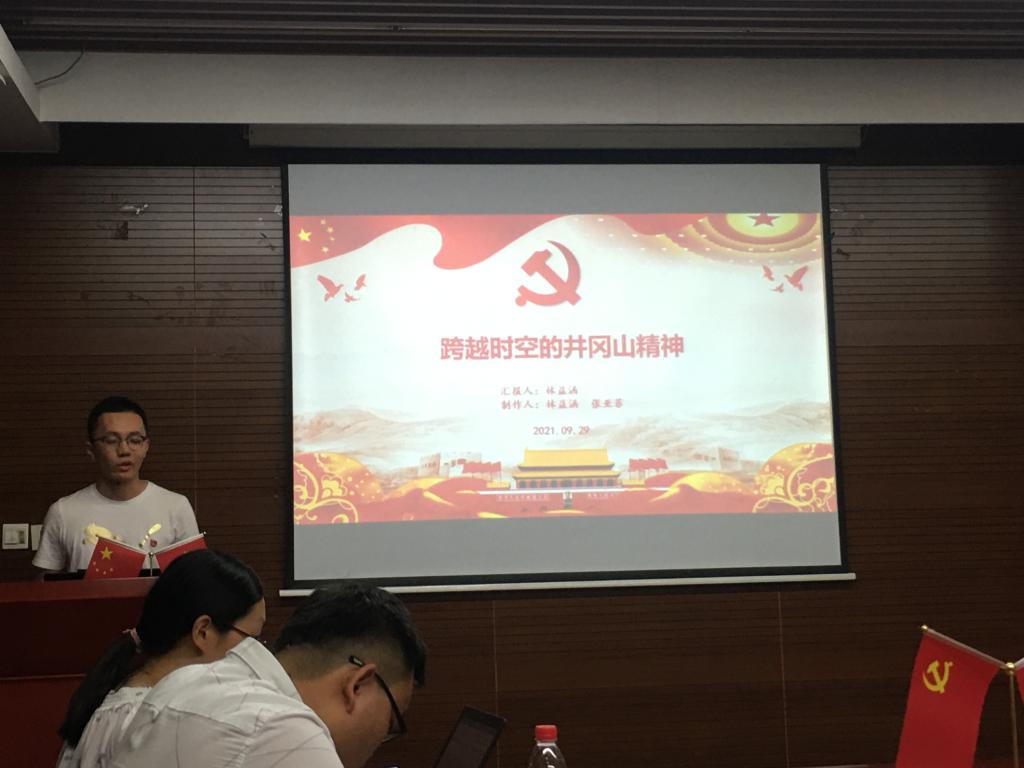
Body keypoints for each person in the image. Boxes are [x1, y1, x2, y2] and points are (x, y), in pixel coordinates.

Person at [111, 582, 427, 768]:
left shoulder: (186, 680)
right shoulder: (286, 732)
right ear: (357, 684)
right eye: (390, 723)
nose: (381, 742)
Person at [57, 549, 265, 768]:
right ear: (203, 631)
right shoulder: (152, 718)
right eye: (252, 638)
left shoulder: (132, 701)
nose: (256, 652)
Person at [34, 396, 199, 573]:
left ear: (146, 446)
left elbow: (197, 577)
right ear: (91, 450)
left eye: (135, 440)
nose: (124, 450)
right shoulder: (63, 512)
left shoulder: (175, 507)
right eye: (111, 440)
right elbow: (46, 584)